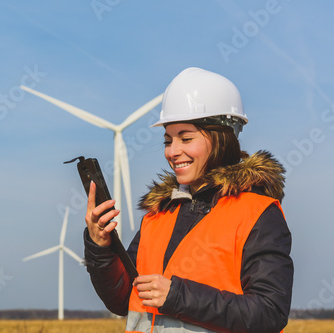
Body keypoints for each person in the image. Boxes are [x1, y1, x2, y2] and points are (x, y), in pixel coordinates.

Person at [83, 67, 294, 333]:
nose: (173, 151)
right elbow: (124, 299)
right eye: (168, 140)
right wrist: (100, 248)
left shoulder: (258, 214)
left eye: (186, 138)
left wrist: (177, 297)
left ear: (222, 138)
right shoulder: (158, 215)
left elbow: (269, 313)